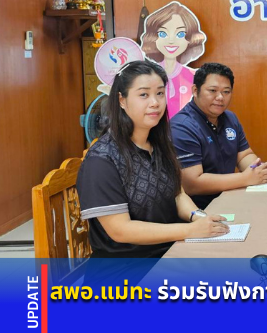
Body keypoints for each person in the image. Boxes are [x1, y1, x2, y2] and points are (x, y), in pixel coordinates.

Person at [77, 60, 229, 260]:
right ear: (122, 100)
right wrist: (190, 230)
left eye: (159, 93)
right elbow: (120, 230)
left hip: (171, 250)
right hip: (128, 267)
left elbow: (178, 194)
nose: (155, 102)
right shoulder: (102, 159)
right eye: (143, 95)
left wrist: (199, 217)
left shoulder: (160, 143)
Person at [171, 63, 267, 209]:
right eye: (213, 91)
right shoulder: (182, 126)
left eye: (226, 92)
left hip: (229, 199)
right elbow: (192, 184)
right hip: (198, 210)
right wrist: (245, 178)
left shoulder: (230, 118)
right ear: (195, 90)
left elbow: (244, 155)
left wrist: (259, 170)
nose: (220, 97)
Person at [140, 1, 207, 118]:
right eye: (163, 34)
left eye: (180, 34)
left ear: (190, 38)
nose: (171, 41)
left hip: (185, 128)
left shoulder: (194, 77)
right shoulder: (146, 76)